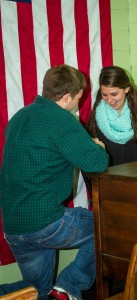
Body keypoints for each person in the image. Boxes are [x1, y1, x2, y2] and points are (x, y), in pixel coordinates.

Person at [0, 64, 109, 300]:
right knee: (107, 223)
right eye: (79, 99)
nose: (78, 105)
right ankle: (68, 288)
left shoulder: (20, 116)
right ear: (67, 96)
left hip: (14, 226)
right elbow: (97, 164)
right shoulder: (63, 121)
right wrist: (97, 147)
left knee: (36, 291)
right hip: (46, 223)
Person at [86, 65, 137, 167]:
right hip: (107, 180)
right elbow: (88, 156)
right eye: (104, 95)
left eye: (114, 94)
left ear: (126, 89)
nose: (109, 100)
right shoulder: (96, 117)